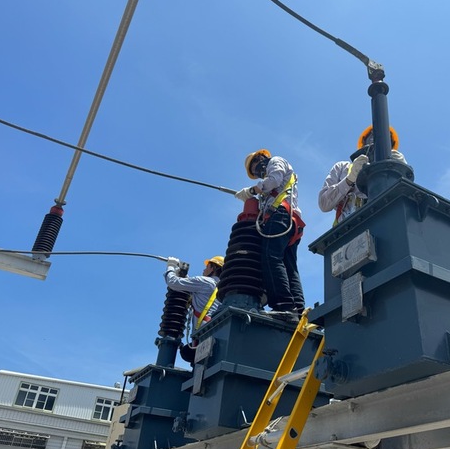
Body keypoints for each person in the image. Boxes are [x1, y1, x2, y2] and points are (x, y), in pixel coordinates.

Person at [234, 149, 305, 315]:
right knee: (289, 267)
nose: (258, 173)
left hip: (280, 216)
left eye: (256, 168)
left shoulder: (276, 161)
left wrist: (252, 191)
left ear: (261, 158)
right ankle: (298, 309)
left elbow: (274, 180)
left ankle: (283, 305)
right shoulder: (267, 188)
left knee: (270, 256)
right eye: (254, 173)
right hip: (289, 220)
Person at [318, 125, 407, 226]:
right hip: (348, 229)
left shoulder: (392, 168)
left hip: (383, 224)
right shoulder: (343, 167)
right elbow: (324, 204)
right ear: (364, 141)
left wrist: (399, 169)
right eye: (372, 136)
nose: (375, 139)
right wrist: (349, 180)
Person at [164, 255, 224, 362]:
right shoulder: (222, 289)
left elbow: (173, 283)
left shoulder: (204, 281)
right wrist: (185, 276)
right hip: (215, 335)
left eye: (207, 267)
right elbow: (192, 288)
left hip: (202, 335)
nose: (204, 270)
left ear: (213, 268)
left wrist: (171, 267)